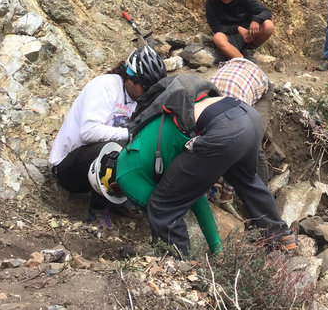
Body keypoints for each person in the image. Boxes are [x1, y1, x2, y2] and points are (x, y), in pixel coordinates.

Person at [92, 73, 295, 256]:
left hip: (221, 130)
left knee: (163, 207)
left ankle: (177, 267)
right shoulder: (140, 146)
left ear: (108, 183)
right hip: (246, 114)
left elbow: (163, 209)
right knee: (248, 182)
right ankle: (280, 235)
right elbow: (194, 195)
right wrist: (217, 248)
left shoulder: (124, 175)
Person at [49, 45, 167, 222]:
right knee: (119, 147)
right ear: (130, 79)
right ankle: (98, 209)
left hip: (93, 165)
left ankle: (122, 197)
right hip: (67, 167)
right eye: (146, 88)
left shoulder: (136, 99)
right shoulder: (106, 86)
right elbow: (88, 133)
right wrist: (130, 134)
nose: (148, 94)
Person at [209, 57, 273, 218]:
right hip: (231, 70)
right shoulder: (196, 114)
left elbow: (239, 151)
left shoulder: (236, 120)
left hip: (258, 81)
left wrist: (225, 198)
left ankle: (263, 211)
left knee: (252, 146)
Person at [205, 0, 274, 60]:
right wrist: (237, 28)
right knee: (217, 38)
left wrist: (256, 19)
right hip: (229, 37)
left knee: (268, 25)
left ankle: (248, 50)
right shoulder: (211, 3)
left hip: (248, 36)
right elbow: (216, 27)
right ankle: (243, 61)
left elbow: (267, 11)